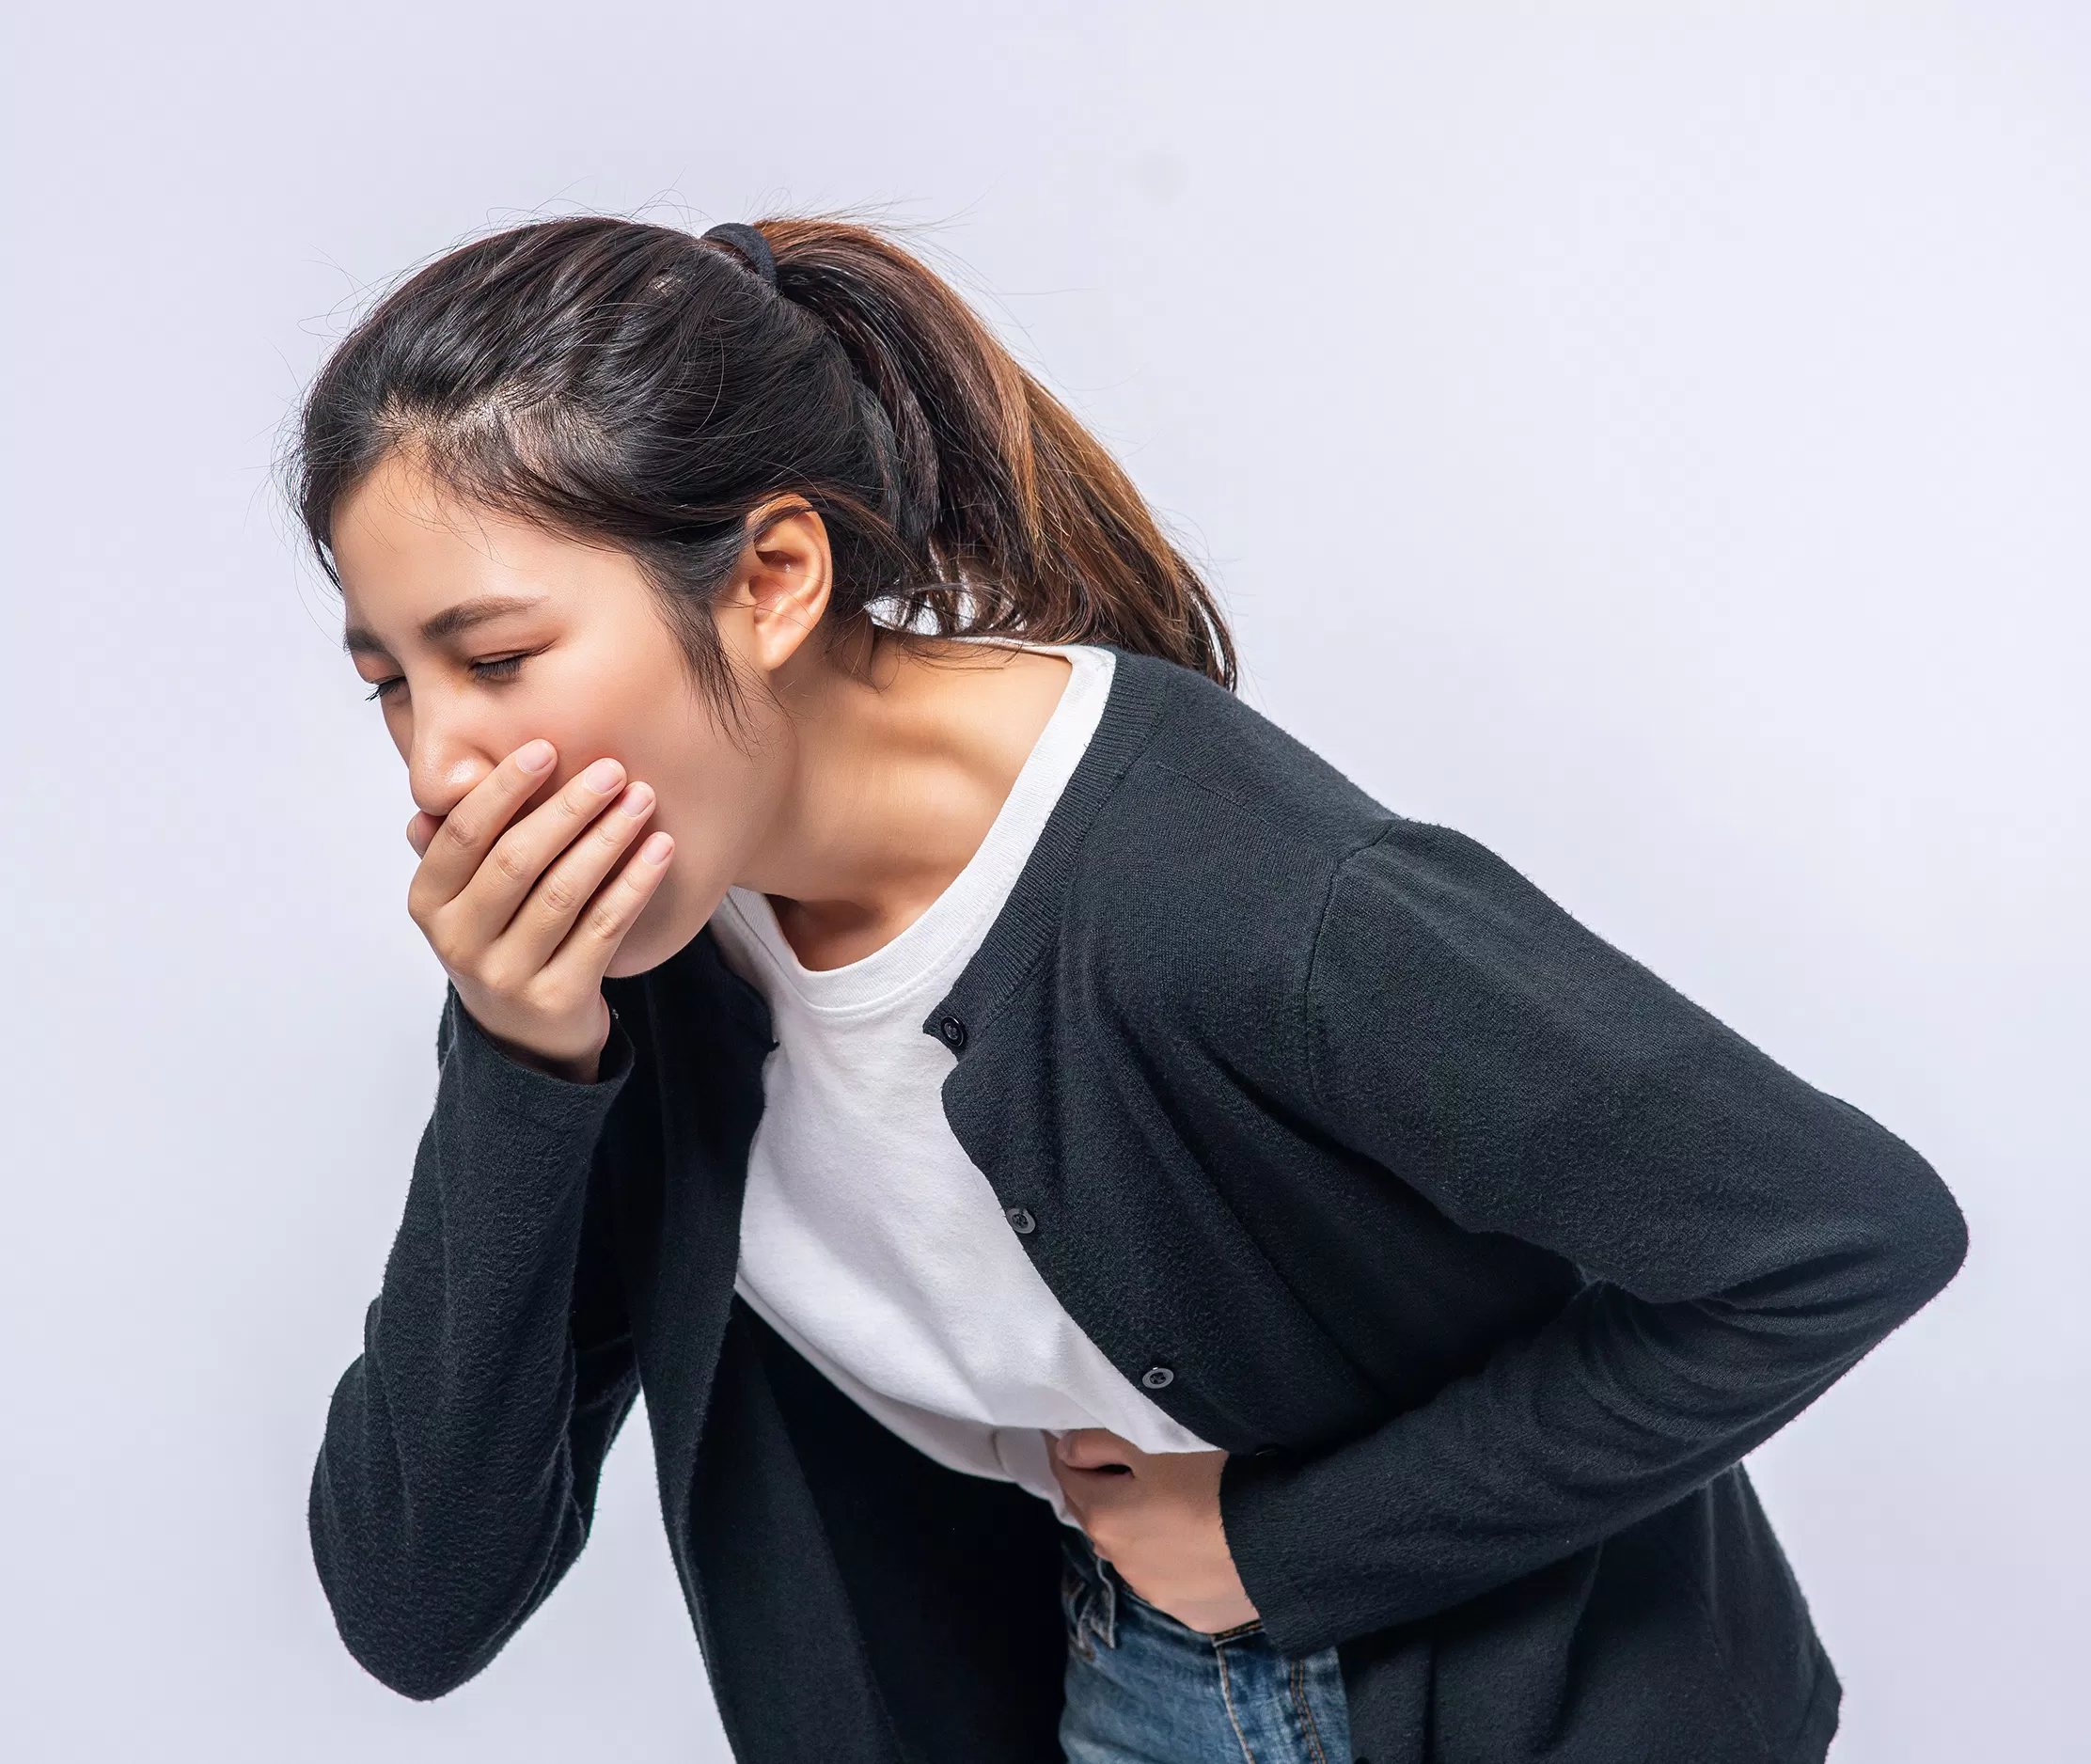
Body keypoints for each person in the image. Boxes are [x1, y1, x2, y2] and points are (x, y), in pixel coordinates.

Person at [294, 215, 1967, 1764]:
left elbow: (1839, 1235)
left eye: (495, 659)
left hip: (1524, 1703)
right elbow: (420, 1603)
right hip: (1114, 1679)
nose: (441, 764)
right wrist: (522, 1064)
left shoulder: (1225, 892)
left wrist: (1292, 1546)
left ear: (772, 581)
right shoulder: (629, 951)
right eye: (392, 684)